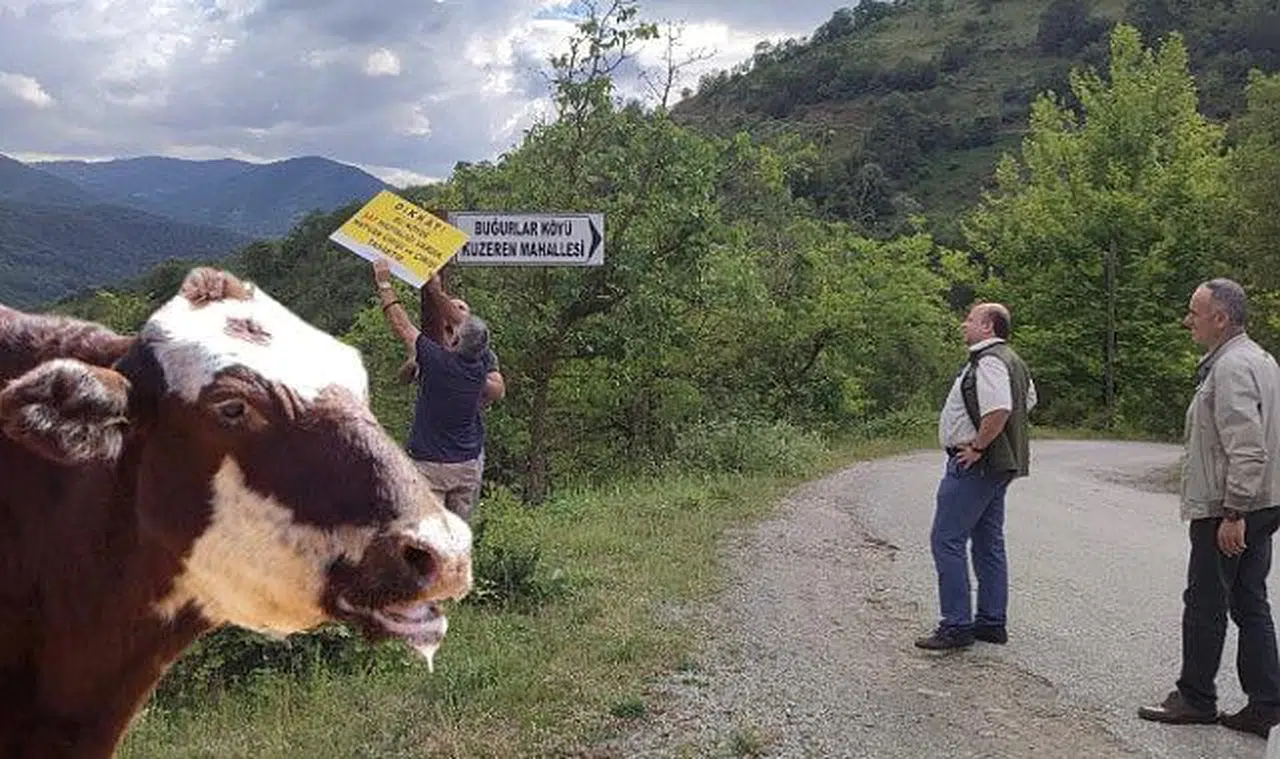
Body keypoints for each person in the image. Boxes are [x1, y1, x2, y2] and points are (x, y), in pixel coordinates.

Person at [1138, 278, 1280, 738]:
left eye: (1194, 312)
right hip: (1264, 500)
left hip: (1232, 504)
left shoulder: (1232, 367)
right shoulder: (1261, 359)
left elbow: (1247, 443)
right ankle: (1266, 705)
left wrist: (1233, 511)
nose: (1187, 320)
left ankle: (1196, 698)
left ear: (1220, 318)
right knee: (1248, 598)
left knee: (1205, 599)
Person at [916, 301, 1037, 651]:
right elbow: (1028, 401)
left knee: (946, 539)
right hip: (998, 465)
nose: (963, 324)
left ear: (988, 327)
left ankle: (956, 625)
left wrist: (980, 445)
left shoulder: (989, 361)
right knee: (988, 541)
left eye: (970, 319)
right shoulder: (1014, 361)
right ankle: (990, 621)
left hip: (978, 464)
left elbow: (1000, 408)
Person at [372, 259, 504, 521]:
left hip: (430, 463)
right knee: (457, 534)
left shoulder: (435, 359)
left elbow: (401, 324)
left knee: (428, 535)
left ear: (456, 338)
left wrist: (384, 283)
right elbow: (468, 328)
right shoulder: (481, 362)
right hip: (466, 463)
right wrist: (436, 291)